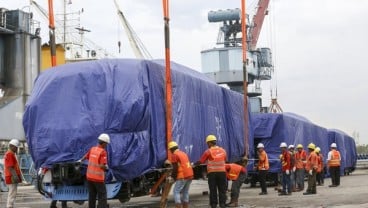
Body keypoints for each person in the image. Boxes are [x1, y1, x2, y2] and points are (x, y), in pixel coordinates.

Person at [79, 133, 110, 208]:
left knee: (92, 195)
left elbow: (86, 156)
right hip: (98, 178)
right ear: (104, 143)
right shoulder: (103, 152)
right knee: (102, 195)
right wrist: (106, 168)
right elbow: (102, 166)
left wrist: (80, 160)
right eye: (106, 144)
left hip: (89, 177)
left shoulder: (93, 149)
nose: (107, 145)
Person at [196, 135, 227, 208]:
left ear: (209, 143)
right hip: (222, 172)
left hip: (212, 173)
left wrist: (194, 164)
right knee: (222, 189)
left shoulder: (208, 151)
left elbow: (201, 161)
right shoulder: (223, 150)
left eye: (207, 143)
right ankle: (222, 204)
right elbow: (225, 160)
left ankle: (214, 205)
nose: (207, 145)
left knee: (213, 189)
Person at [168, 141, 194, 208]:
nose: (170, 151)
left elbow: (175, 168)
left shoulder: (174, 155)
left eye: (170, 150)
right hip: (190, 175)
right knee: (185, 192)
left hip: (182, 176)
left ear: (171, 149)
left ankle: (178, 206)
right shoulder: (183, 153)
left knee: (176, 191)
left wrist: (172, 177)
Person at [4, 139, 22, 208]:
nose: (17, 149)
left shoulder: (10, 154)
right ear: (12, 146)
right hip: (11, 177)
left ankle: (10, 205)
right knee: (12, 192)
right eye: (16, 147)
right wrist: (15, 176)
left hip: (10, 176)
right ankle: (9, 206)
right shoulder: (10, 154)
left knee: (12, 192)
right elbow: (10, 167)